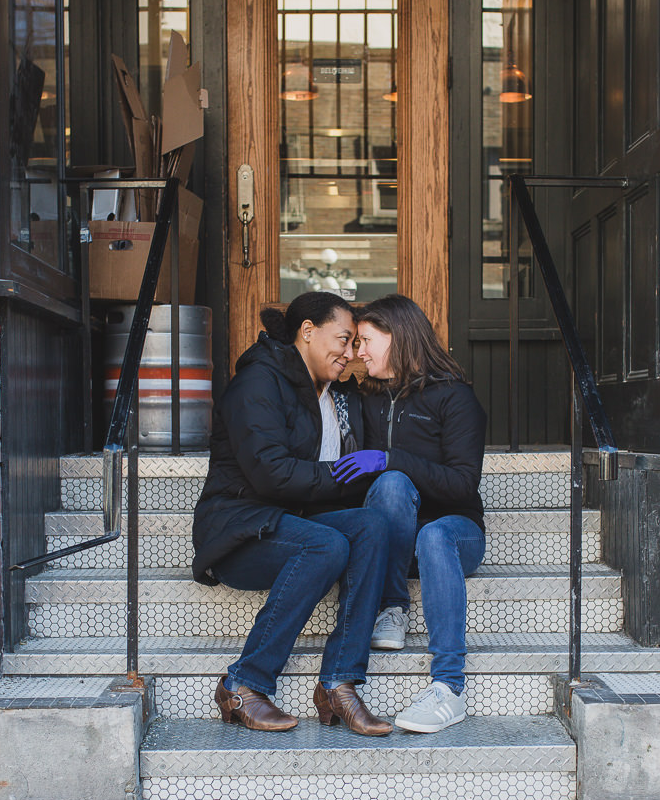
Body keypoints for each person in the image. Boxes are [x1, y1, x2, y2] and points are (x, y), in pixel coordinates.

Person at [191, 291, 392, 736]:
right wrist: (343, 476)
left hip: (289, 523)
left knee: (373, 526)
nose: (350, 353)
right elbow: (271, 474)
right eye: (343, 339)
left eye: (356, 344)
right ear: (307, 332)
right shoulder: (258, 382)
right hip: (239, 532)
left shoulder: (328, 392)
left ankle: (339, 683)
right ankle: (243, 683)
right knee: (327, 542)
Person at [330, 294, 486, 734]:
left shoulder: (455, 398)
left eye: (364, 341)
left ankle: (449, 688)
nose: (358, 353)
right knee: (391, 485)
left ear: (397, 337)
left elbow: (461, 484)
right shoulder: (365, 398)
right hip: (394, 539)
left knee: (432, 530)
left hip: (455, 532)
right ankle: (391, 606)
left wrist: (390, 457)